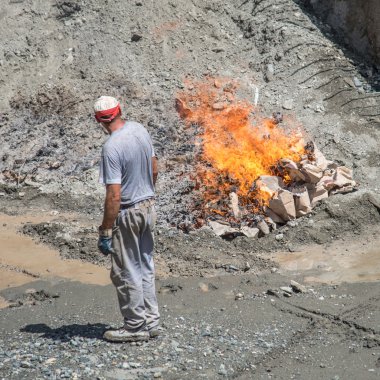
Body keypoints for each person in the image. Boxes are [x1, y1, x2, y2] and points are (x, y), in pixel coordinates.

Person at [94, 96, 160, 342]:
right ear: (120, 110)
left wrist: (105, 230)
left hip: (129, 212)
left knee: (125, 270)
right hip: (149, 207)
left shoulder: (111, 147)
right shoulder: (139, 130)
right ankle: (151, 322)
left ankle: (134, 327)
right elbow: (154, 167)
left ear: (98, 120)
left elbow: (114, 196)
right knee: (145, 265)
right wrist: (147, 194)